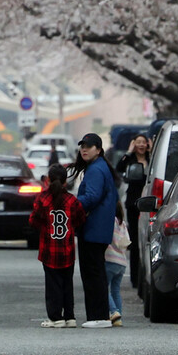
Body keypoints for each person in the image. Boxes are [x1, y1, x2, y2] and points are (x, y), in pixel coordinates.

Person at [29, 163, 87, 328]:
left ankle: (55, 317)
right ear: (65, 181)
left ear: (48, 179)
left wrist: (45, 228)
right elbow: (80, 219)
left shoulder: (43, 198)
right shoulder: (71, 200)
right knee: (67, 283)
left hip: (49, 248)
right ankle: (70, 316)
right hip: (67, 248)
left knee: (53, 283)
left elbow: (33, 220)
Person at [72, 132, 117, 328]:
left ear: (98, 150)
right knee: (96, 272)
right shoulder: (99, 167)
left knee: (92, 274)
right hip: (97, 229)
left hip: (93, 229)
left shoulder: (96, 170)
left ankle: (98, 317)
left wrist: (70, 205)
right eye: (82, 145)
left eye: (89, 146)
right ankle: (99, 316)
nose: (84, 149)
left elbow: (91, 196)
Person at [117, 132, 152, 287]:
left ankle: (146, 276)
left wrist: (152, 150)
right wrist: (128, 152)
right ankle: (135, 278)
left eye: (143, 142)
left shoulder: (152, 160)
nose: (141, 145)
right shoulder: (129, 160)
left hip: (149, 202)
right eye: (138, 142)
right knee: (135, 240)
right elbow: (119, 167)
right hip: (133, 203)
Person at [105, 199, 130, 326]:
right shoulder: (122, 224)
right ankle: (118, 316)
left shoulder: (110, 221)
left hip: (110, 259)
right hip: (122, 261)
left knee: (104, 287)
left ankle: (113, 311)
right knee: (115, 289)